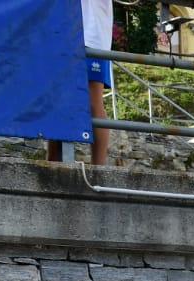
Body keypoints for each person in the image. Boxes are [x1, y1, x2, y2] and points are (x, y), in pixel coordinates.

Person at [49, 0, 112, 166]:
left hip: (92, 36)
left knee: (93, 102)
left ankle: (99, 167)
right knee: (60, 101)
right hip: (64, 35)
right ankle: (53, 162)